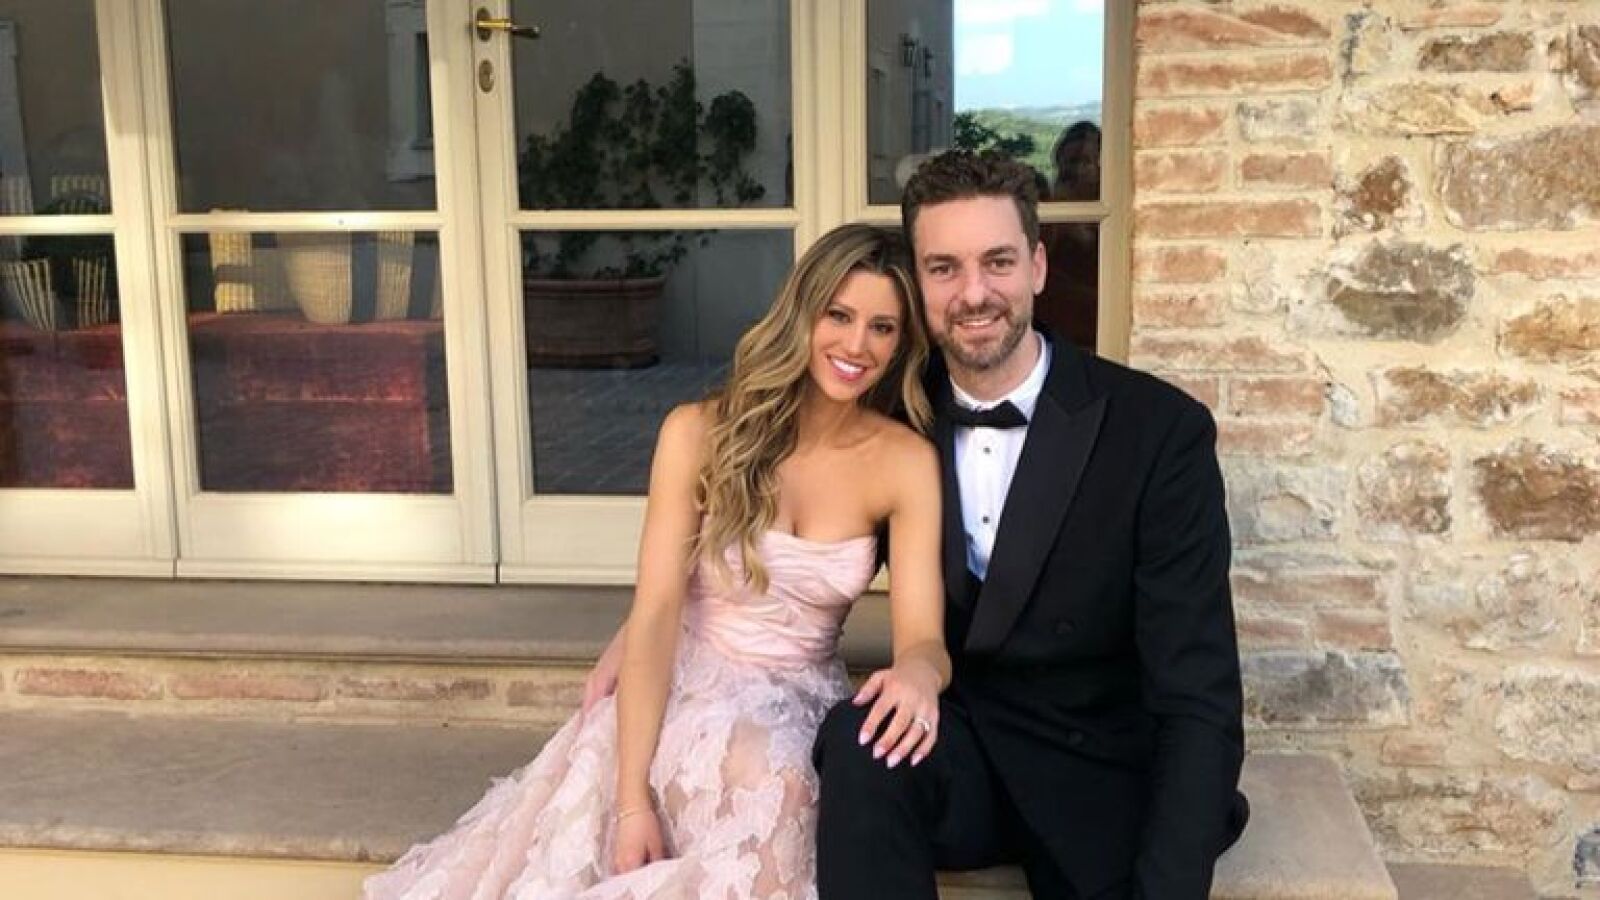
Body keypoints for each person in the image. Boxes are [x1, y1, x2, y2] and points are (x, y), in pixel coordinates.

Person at [362, 223, 950, 900]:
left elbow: (925, 640)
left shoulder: (905, 463)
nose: (856, 345)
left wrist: (919, 671)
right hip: (687, 684)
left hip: (804, 696)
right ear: (801, 314)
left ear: (902, 342)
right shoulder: (698, 433)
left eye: (882, 327)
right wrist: (630, 801)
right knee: (767, 780)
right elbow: (658, 611)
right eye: (839, 316)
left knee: (799, 781)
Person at [810, 151, 1247, 899]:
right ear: (917, 283)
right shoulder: (888, 416)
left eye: (998, 262)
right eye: (943, 268)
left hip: (1097, 771)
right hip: (963, 753)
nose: (974, 293)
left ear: (1038, 266)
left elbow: (1198, 696)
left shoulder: (1158, 431)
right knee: (857, 740)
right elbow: (764, 500)